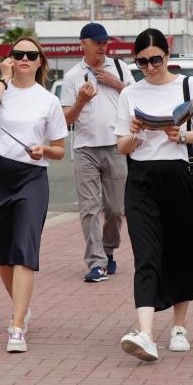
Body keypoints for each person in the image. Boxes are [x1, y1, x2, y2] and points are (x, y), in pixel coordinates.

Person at [114, 29, 193, 362]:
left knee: (182, 251)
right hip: (141, 180)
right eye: (142, 62)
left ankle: (179, 327)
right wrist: (135, 135)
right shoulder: (129, 93)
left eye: (156, 59)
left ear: (168, 56)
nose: (150, 67)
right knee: (146, 254)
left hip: (180, 177)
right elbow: (120, 144)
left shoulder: (189, 86)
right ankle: (146, 333)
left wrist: (181, 136)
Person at [0, 37, 68, 353]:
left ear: (40, 61)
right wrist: (3, 81)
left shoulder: (48, 101)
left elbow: (60, 150)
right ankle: (21, 306)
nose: (25, 59)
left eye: (31, 55)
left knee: (25, 249)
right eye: (19, 54)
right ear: (11, 59)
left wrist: (45, 149)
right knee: (3, 256)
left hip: (31, 178)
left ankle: (17, 327)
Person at [60, 22, 134, 282]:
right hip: (85, 150)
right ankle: (96, 263)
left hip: (116, 146)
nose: (103, 46)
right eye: (97, 42)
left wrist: (116, 83)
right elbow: (66, 119)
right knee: (89, 208)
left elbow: (136, 99)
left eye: (105, 42)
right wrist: (81, 100)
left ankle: (109, 250)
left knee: (115, 208)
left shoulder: (120, 68)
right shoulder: (71, 77)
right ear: (84, 44)